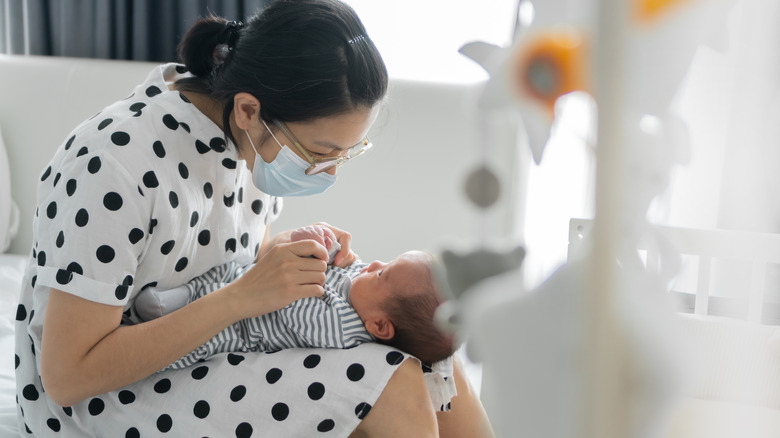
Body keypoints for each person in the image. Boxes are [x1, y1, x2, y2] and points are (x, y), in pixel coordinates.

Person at [14, 0, 494, 437]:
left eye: (345, 155)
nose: (326, 171)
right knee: (395, 384)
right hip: (98, 398)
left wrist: (292, 260)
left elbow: (227, 264)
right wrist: (242, 296)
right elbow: (68, 375)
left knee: (437, 365)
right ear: (249, 109)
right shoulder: (115, 162)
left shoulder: (243, 146)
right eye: (322, 152)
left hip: (208, 349)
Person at [135, 225, 456, 366]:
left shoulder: (343, 328)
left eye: (382, 274)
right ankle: (178, 297)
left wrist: (307, 267)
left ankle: (168, 316)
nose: (373, 263)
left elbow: (296, 312)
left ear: (380, 327)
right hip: (245, 283)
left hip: (242, 327)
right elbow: (339, 262)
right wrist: (321, 243)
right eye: (385, 260)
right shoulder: (361, 290)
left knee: (206, 331)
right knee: (225, 272)